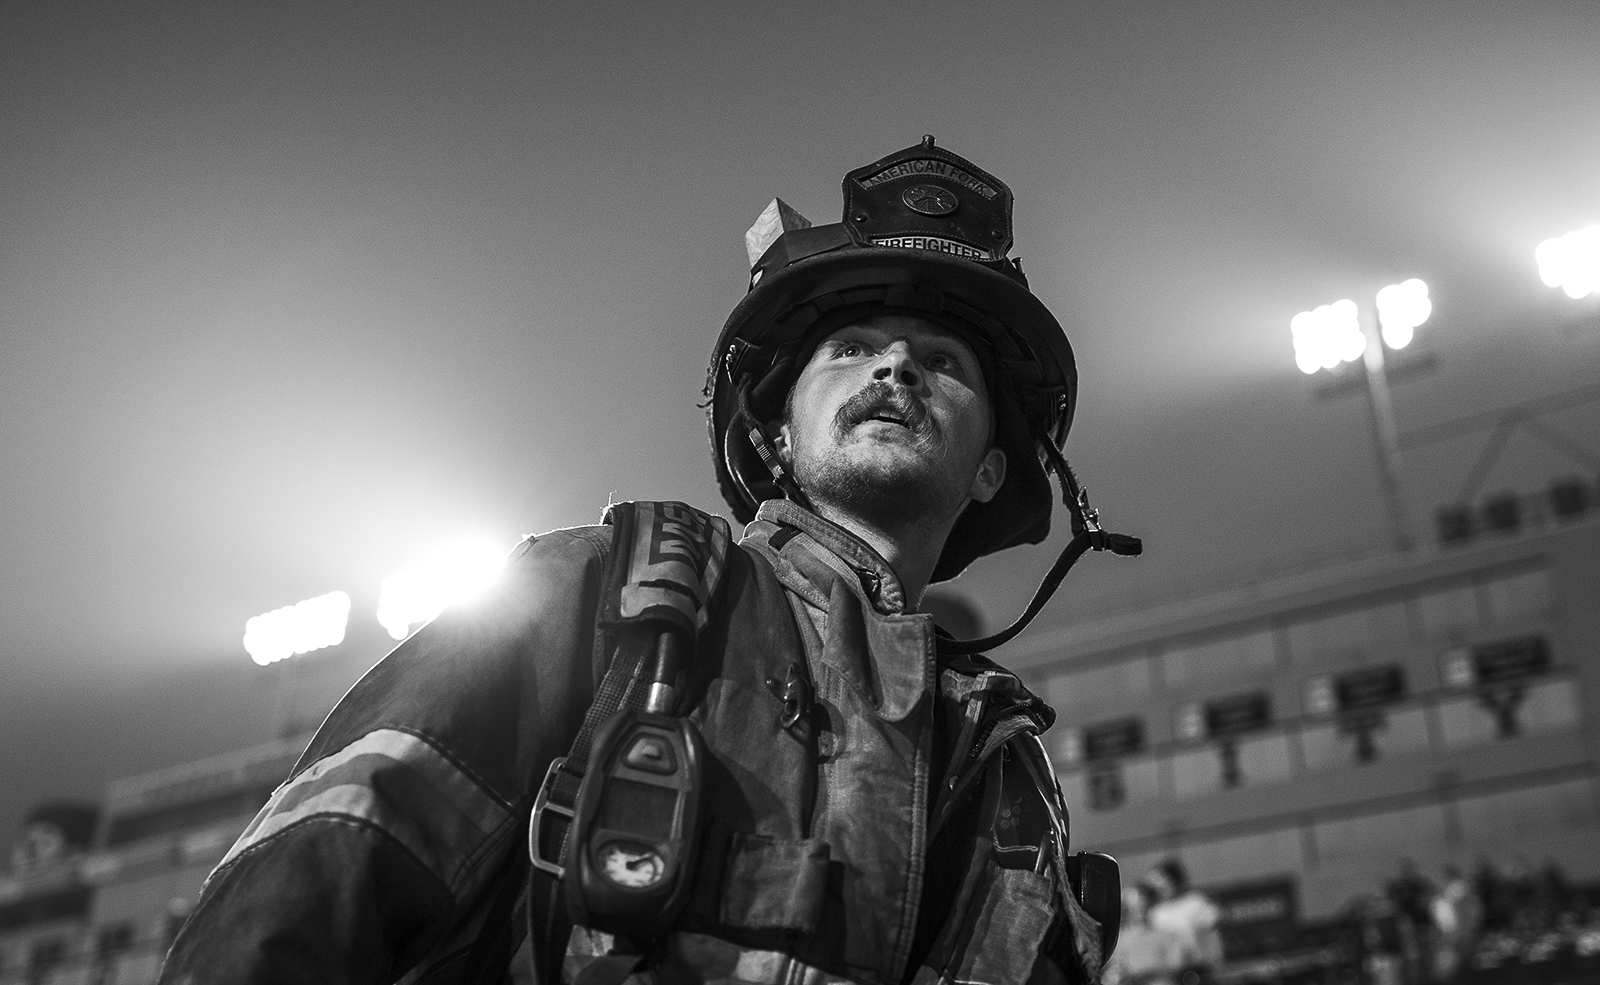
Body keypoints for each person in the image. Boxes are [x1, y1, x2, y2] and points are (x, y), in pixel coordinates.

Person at [158, 136, 1138, 985]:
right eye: (849, 347)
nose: (893, 367)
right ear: (776, 443)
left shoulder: (1009, 775)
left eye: (943, 361)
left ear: (992, 471)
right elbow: (319, 868)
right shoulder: (605, 591)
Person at [1142, 860, 1222, 982]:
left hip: (1200, 970)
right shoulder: (1155, 914)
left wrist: (1214, 966)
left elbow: (1212, 937)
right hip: (1170, 973)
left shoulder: (1196, 902)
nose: (1158, 885)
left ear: (1173, 879)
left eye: (1162, 879)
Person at [1101, 887, 1185, 985]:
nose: (1139, 911)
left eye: (1142, 905)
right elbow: (1111, 970)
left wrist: (1148, 973)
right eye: (1134, 907)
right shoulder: (1117, 940)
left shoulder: (1167, 937)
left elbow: (1177, 967)